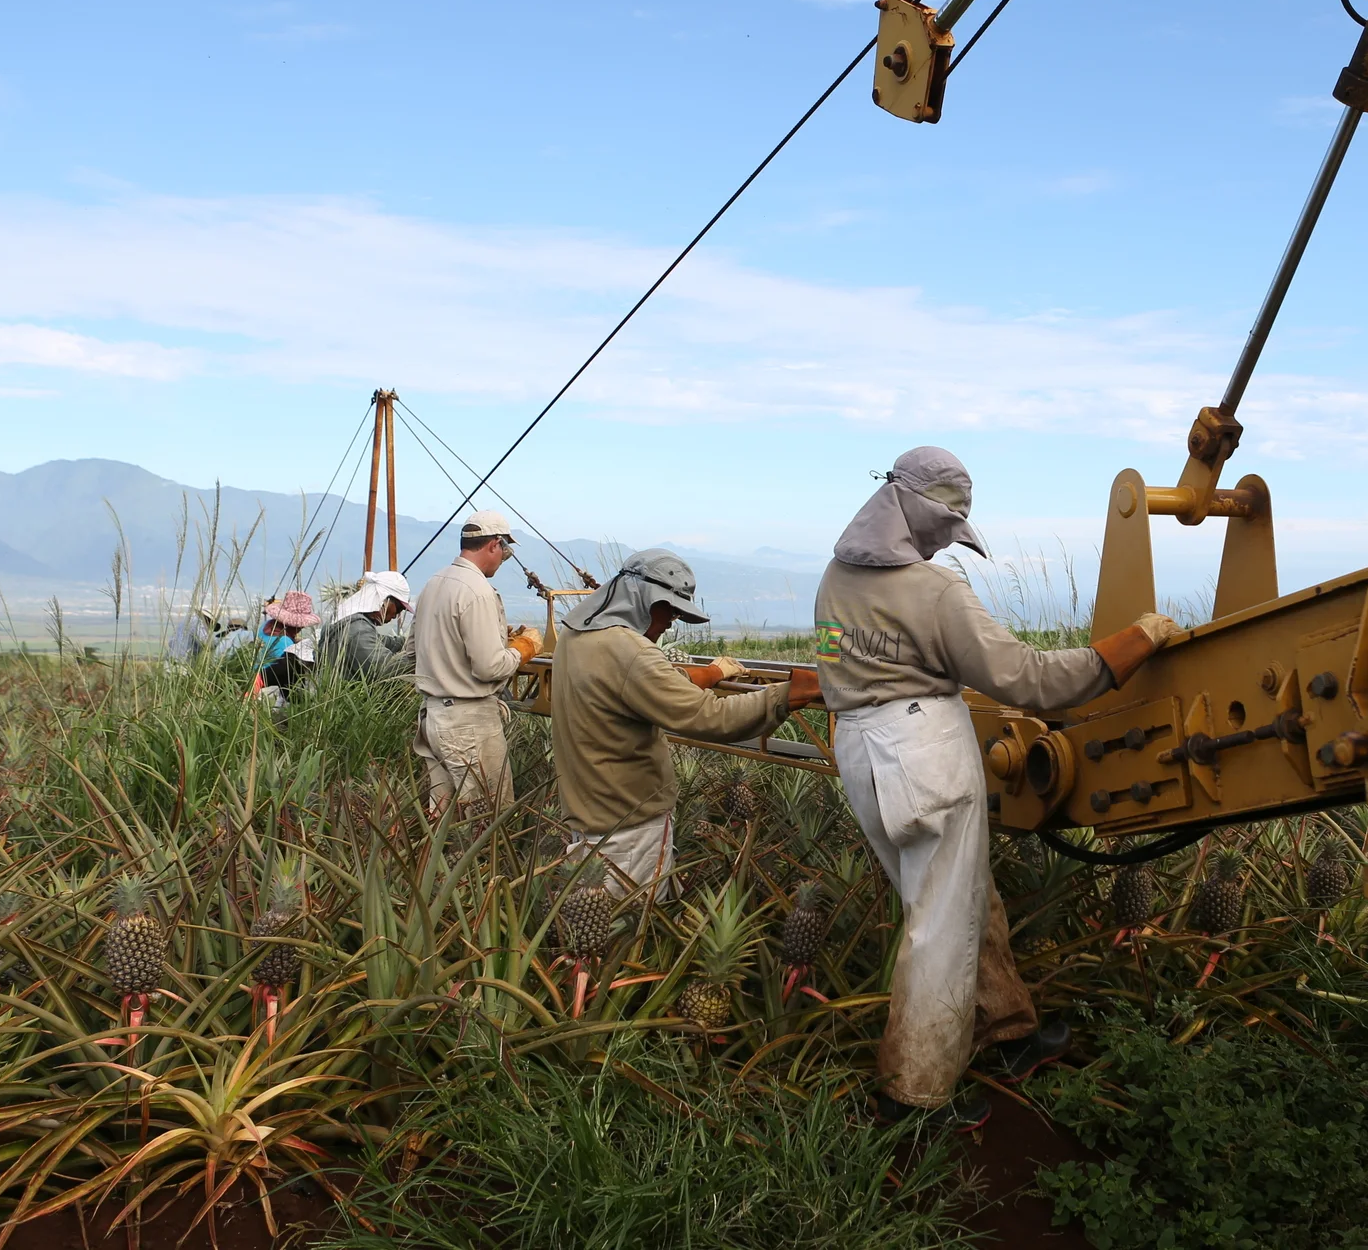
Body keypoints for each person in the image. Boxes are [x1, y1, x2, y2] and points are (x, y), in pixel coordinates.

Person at [814, 447, 1178, 1127]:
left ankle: (1005, 1031)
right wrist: (1132, 645)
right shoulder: (936, 590)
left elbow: (835, 663)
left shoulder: (836, 578)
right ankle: (912, 1096)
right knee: (942, 929)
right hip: (923, 752)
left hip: (861, 752)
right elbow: (1028, 680)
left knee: (960, 901)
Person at [552, 549, 820, 897]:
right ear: (644, 600)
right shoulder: (628, 651)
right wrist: (787, 694)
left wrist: (706, 674)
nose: (672, 621)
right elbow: (711, 717)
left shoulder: (574, 638)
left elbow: (628, 690)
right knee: (631, 936)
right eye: (670, 609)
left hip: (588, 822)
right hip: (628, 831)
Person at [410, 511, 543, 812]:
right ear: (494, 544)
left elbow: (413, 649)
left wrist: (497, 636)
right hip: (468, 721)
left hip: (434, 717)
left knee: (443, 816)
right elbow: (489, 667)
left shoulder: (434, 583)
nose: (504, 558)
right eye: (505, 550)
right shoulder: (478, 590)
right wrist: (524, 647)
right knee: (484, 818)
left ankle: (436, 861)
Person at [320, 570, 415, 681]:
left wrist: (409, 642)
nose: (396, 615)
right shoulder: (358, 630)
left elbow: (382, 641)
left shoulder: (345, 619)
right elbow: (385, 669)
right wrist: (419, 658)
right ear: (384, 599)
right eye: (399, 609)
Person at [254, 591, 319, 697]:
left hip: (255, 676)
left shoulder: (265, 626)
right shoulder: (285, 643)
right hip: (268, 687)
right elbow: (283, 669)